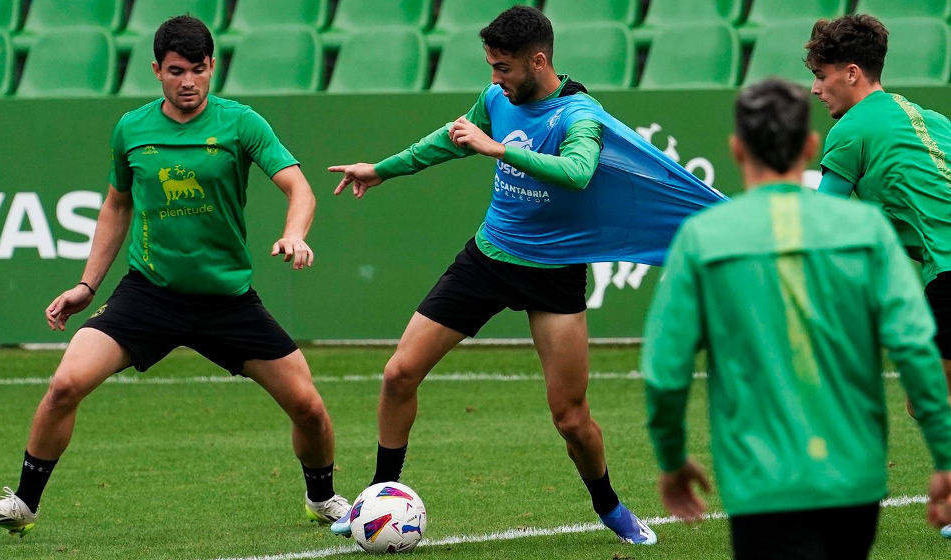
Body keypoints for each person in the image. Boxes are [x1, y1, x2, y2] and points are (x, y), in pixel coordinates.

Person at [327, 6, 721, 544]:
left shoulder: (580, 115)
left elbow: (579, 173)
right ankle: (377, 498)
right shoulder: (496, 99)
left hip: (554, 275)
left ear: (539, 61)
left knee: (570, 418)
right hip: (488, 259)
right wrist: (381, 170)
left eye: (504, 68)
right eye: (491, 66)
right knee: (398, 374)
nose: (495, 79)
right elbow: (450, 138)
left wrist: (496, 148)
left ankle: (609, 506)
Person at [0, 16, 349, 536]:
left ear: (213, 67)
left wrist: (296, 233)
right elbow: (116, 206)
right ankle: (24, 505)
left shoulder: (242, 124)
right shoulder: (132, 128)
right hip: (149, 296)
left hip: (226, 299)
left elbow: (299, 188)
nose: (187, 82)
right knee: (64, 385)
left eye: (197, 70)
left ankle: (322, 498)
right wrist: (86, 286)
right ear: (156, 71)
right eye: (175, 71)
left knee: (308, 407)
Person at [642, 78, 951, 560]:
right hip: (855, 478)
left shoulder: (703, 238)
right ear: (810, 145)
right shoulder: (867, 230)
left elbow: (665, 369)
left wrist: (671, 456)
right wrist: (945, 456)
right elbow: (915, 348)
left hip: (760, 480)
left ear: (736, 148)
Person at [806, 15, 951, 537]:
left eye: (821, 76)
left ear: (850, 73)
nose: (815, 88)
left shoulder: (849, 132)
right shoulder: (928, 118)